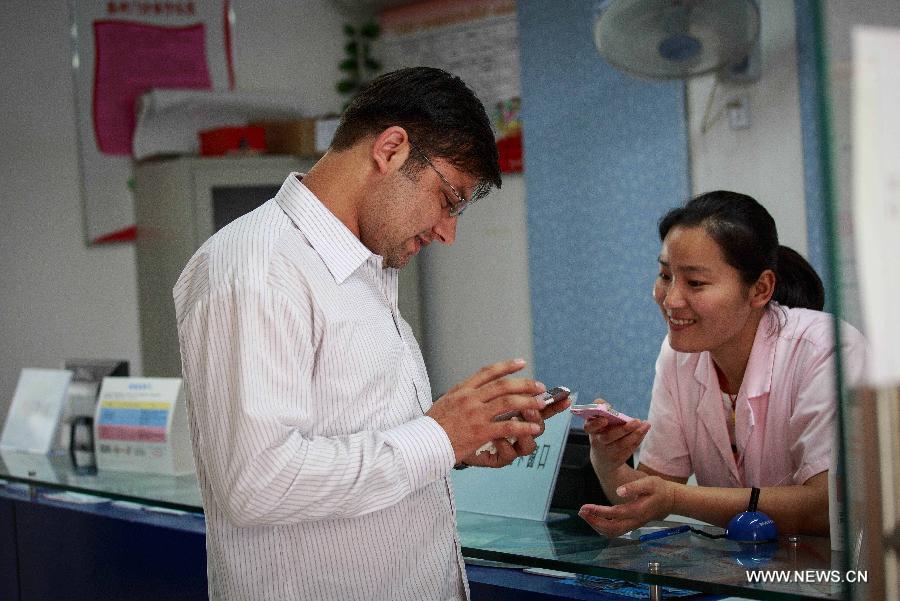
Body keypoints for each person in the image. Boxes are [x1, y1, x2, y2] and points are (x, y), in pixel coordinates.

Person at [173, 67, 569, 601]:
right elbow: (258, 482)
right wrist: (439, 435)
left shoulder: (366, 272)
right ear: (390, 149)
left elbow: (355, 438)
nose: (448, 232)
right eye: (449, 199)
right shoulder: (259, 268)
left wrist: (457, 443)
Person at [579, 190, 866, 538]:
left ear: (760, 289)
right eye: (666, 276)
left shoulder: (827, 349)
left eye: (695, 283)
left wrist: (674, 497)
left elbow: (827, 508)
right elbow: (647, 501)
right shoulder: (678, 357)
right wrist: (608, 462)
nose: (670, 300)